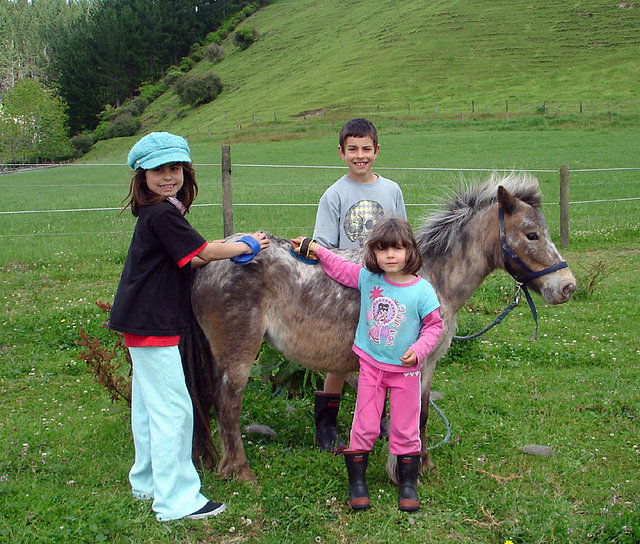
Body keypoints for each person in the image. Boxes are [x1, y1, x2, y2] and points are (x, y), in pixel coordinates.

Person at [108, 132, 269, 522]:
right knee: (173, 410)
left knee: (149, 409)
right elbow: (203, 253)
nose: (168, 176)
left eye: (175, 168)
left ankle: (146, 480)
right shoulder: (163, 213)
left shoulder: (160, 212)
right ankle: (177, 499)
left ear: (185, 170)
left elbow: (189, 259)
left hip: (140, 320)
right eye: (159, 170)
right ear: (141, 175)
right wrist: (248, 244)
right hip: (155, 322)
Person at [292, 217, 442, 512]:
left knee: (405, 428)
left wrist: (418, 350)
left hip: (406, 373)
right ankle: (357, 484)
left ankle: (408, 484)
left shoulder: (422, 290)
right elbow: (340, 268)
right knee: (364, 424)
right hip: (371, 368)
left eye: (397, 249)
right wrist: (318, 251)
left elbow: (433, 327)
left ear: (410, 251)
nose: (389, 256)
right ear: (372, 253)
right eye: (382, 249)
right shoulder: (368, 279)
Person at [312, 118, 407, 453]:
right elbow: (323, 246)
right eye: (353, 149)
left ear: (377, 150)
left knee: (383, 352)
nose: (360, 155)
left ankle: (375, 418)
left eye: (366, 148)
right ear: (341, 152)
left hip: (386, 288)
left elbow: (402, 237)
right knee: (341, 358)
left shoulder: (391, 190)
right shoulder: (334, 195)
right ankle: (325, 425)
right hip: (348, 289)